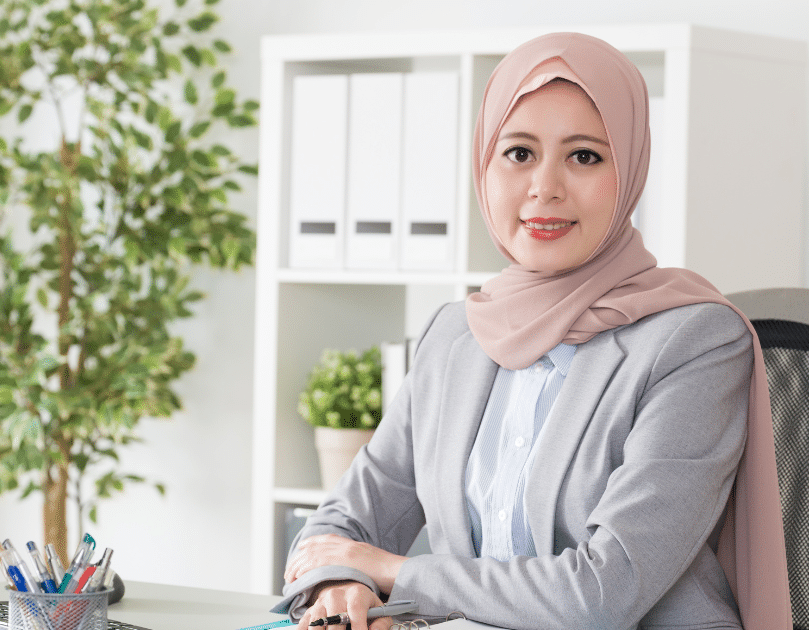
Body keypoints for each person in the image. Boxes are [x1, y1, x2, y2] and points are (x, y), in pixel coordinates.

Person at [276, 32, 793, 630]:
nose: (543, 188)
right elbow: (340, 526)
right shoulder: (455, 336)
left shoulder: (695, 340)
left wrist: (395, 572)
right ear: (484, 163)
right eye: (519, 153)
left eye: (584, 156)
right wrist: (343, 579)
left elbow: (604, 592)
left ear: (630, 171)